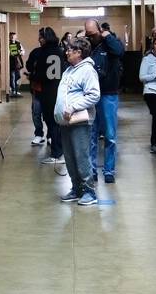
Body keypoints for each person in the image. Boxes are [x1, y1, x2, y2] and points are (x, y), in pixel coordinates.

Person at [55, 35, 101, 205]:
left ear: (79, 52)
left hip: (79, 121)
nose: (66, 52)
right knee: (69, 156)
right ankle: (76, 188)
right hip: (66, 121)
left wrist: (73, 106)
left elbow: (94, 95)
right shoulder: (69, 69)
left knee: (81, 156)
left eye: (69, 50)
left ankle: (89, 191)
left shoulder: (87, 70)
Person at [85, 19, 125, 183]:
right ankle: (92, 169)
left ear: (100, 31)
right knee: (91, 135)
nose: (90, 37)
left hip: (108, 94)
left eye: (93, 34)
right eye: (88, 34)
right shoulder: (87, 46)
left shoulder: (110, 43)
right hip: (90, 96)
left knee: (110, 135)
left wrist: (108, 37)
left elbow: (120, 52)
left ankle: (109, 170)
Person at [27, 28, 67, 174]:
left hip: (47, 91)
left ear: (46, 38)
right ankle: (59, 151)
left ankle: (57, 154)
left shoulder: (43, 53)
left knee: (51, 122)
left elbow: (41, 74)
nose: (39, 40)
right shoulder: (61, 51)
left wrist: (32, 77)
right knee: (56, 122)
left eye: (41, 37)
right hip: (59, 89)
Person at [8, 31, 24, 99]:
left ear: (16, 37)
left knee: (18, 76)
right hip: (11, 62)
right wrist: (10, 54)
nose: (12, 37)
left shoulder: (18, 43)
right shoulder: (8, 44)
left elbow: (23, 51)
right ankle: (13, 90)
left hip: (17, 62)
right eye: (11, 36)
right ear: (9, 37)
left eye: (13, 36)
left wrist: (20, 52)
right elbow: (7, 52)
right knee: (12, 76)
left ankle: (16, 90)